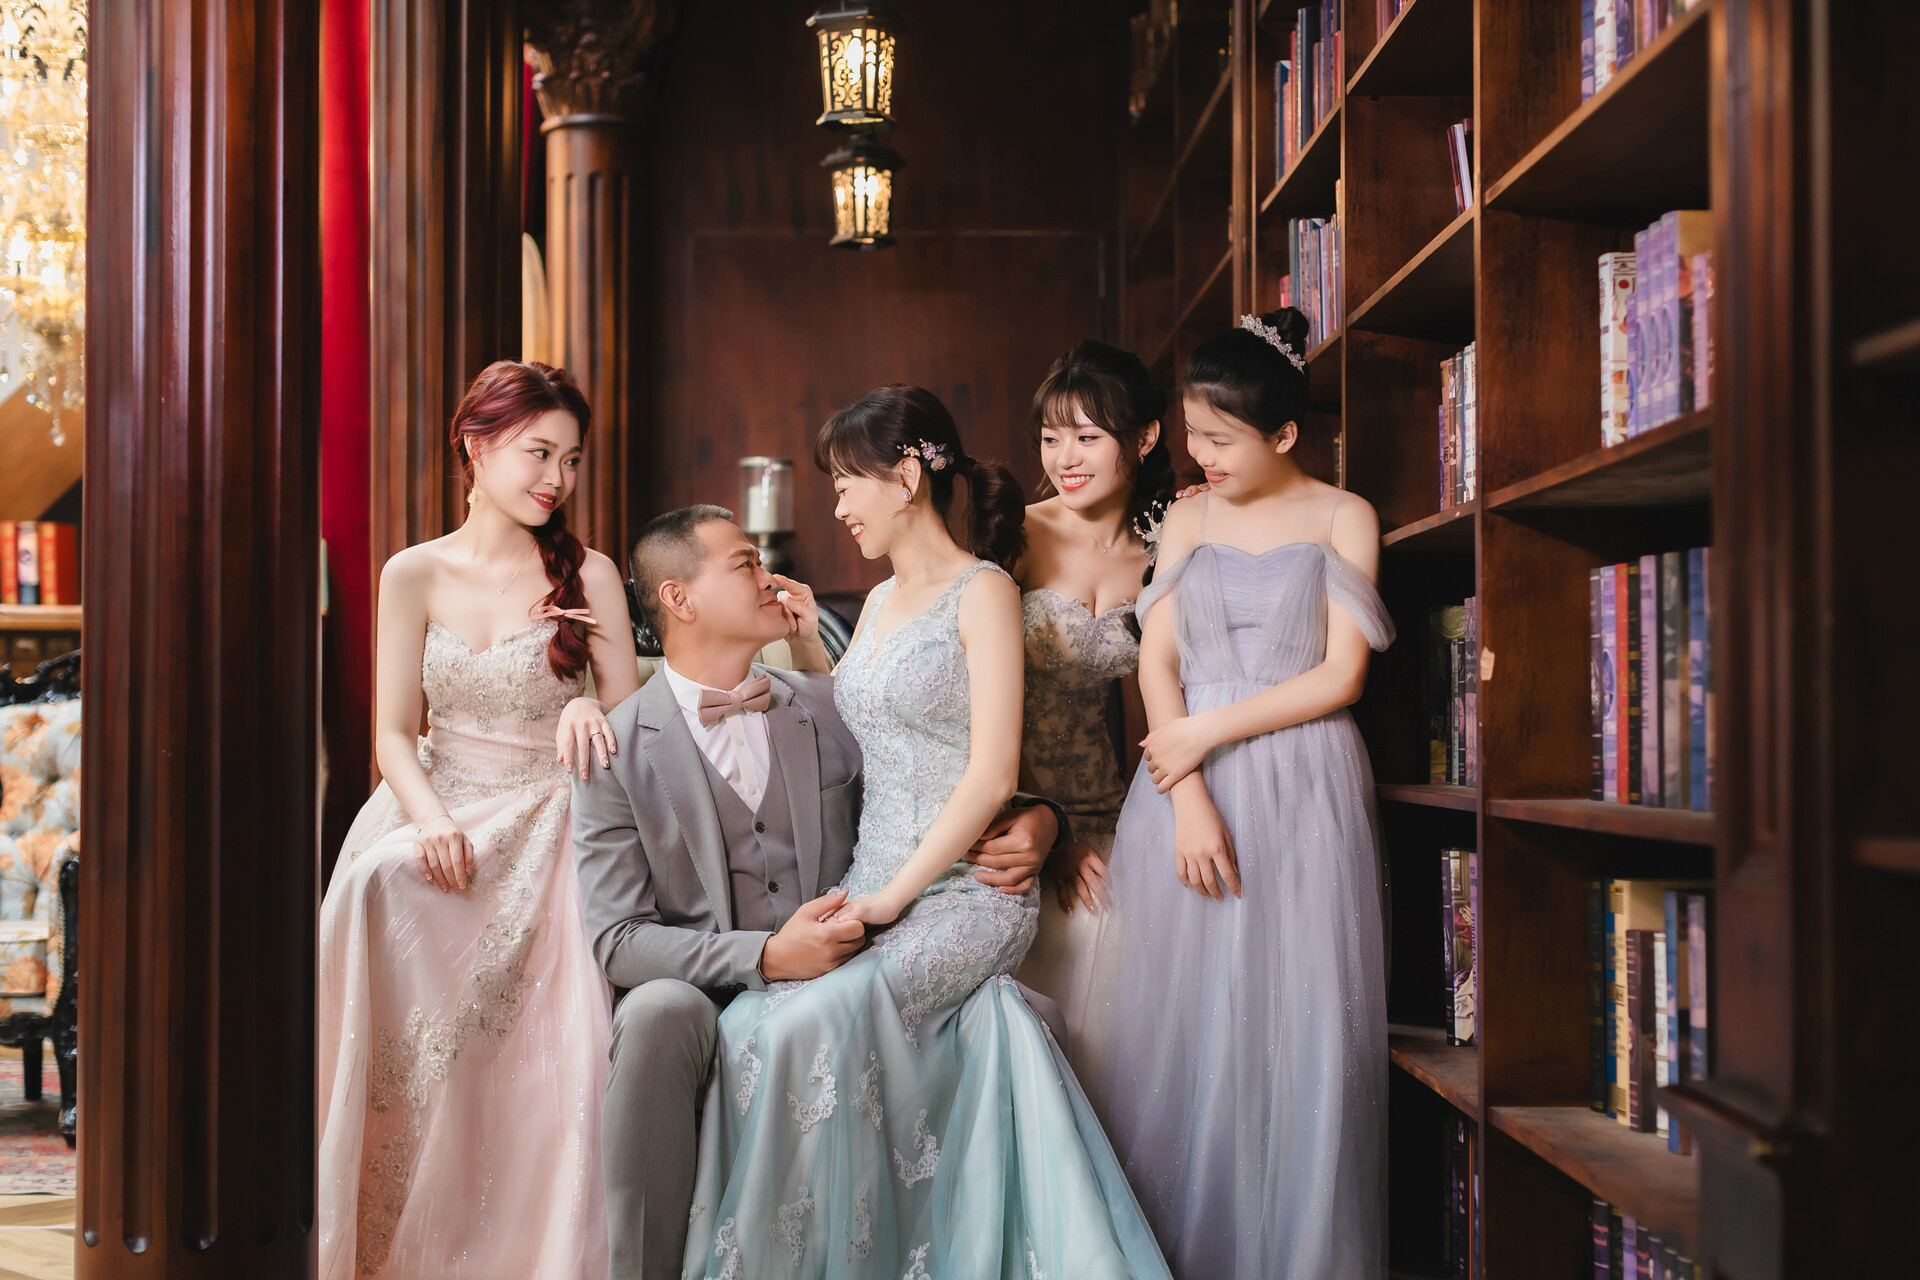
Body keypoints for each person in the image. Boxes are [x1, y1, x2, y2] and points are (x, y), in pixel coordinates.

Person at [674, 386, 1172, 1280]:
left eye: (845, 482)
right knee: (748, 1023)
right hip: (874, 881)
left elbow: (991, 775)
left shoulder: (985, 593)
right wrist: (808, 649)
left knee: (805, 1026)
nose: (837, 504)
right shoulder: (873, 603)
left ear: (906, 477)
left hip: (966, 897)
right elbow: (874, 729)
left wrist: (893, 900)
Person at [570, 502, 1066, 1280]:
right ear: (679, 598)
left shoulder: (829, 705)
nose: (770, 577)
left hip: (851, 962)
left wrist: (1042, 820)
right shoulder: (615, 747)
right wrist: (767, 955)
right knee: (656, 1011)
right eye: (745, 564)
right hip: (707, 981)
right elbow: (619, 941)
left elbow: (941, 781)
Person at [316, 361, 640, 1280]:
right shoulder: (413, 572)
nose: (557, 478)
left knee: (548, 1048)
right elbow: (391, 732)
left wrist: (592, 706)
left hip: (551, 815)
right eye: (540, 453)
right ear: (476, 444)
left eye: (571, 460)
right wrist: (428, 820)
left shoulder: (592, 573)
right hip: (440, 799)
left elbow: (636, 722)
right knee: (376, 887)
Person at [1102, 310, 1396, 1280]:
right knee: (1186, 1029)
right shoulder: (1188, 516)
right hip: (1184, 782)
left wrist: (1206, 731)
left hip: (1305, 780)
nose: (1202, 456)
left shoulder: (1344, 515)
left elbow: (1341, 676)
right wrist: (1186, 787)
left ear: (1286, 434)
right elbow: (1158, 659)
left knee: (1301, 1028)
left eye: (1223, 439)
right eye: (1195, 433)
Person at [1012, 339, 1173, 1126]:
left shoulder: (1167, 546)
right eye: (1051, 437)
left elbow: (1152, 706)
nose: (1064, 458)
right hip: (1014, 806)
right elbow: (975, 704)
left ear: (1143, 439)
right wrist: (1050, 830)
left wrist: (1146, 825)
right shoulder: (1016, 535)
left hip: (1116, 808)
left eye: (1086, 436)